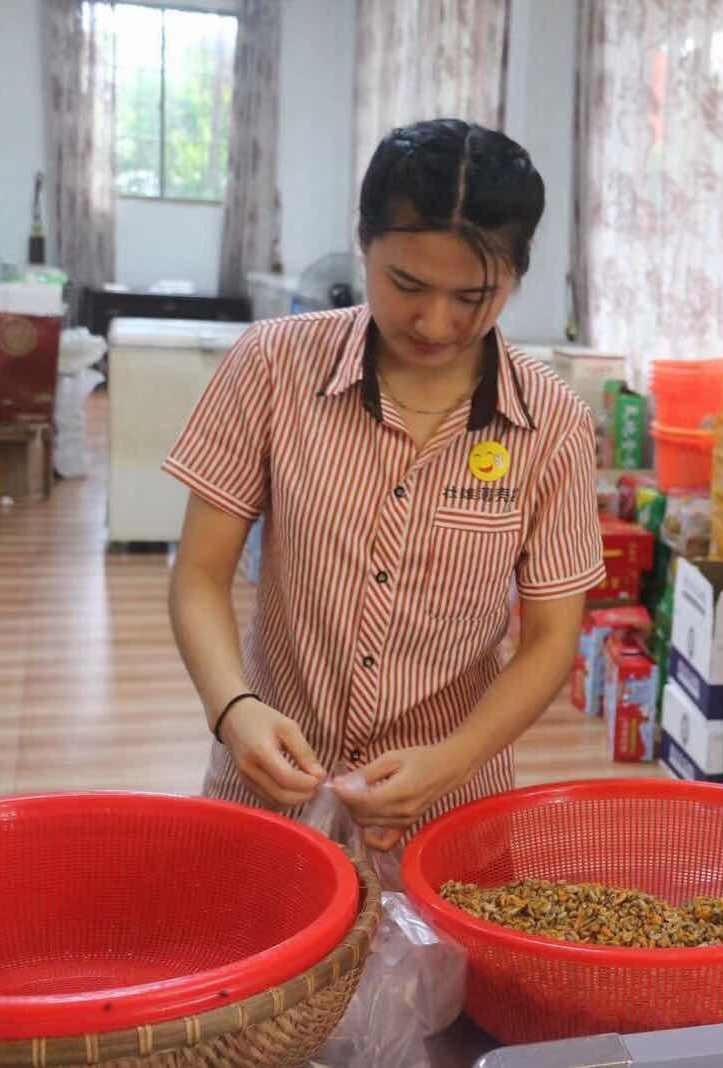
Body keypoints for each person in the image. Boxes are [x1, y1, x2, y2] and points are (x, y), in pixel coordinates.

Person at [165, 119, 604, 852]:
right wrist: (232, 707)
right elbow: (200, 576)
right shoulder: (273, 367)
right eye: (406, 285)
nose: (435, 322)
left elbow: (550, 640)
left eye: (474, 295)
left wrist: (451, 762)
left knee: (441, 970)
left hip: (450, 799)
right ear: (363, 244)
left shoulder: (551, 424)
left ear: (516, 277)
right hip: (272, 775)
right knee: (273, 960)